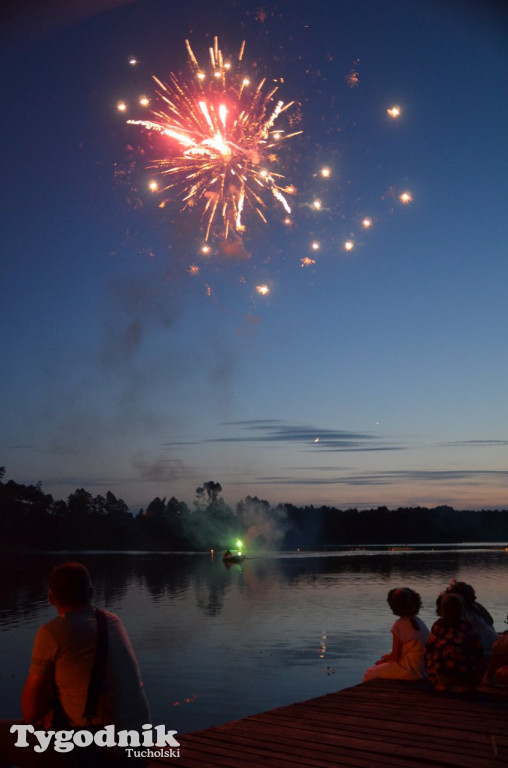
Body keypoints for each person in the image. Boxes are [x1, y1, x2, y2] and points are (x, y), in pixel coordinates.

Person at [0, 561, 151, 767]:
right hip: (138, 745)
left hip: (96, 752)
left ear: (50, 597)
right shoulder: (112, 620)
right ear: (91, 593)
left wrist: (47, 710)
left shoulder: (52, 632)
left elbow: (30, 713)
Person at [362, 587, 429, 682]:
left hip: (410, 670)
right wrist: (388, 657)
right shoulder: (419, 621)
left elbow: (395, 657)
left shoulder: (398, 625)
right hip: (423, 669)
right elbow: (408, 650)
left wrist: (384, 660)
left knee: (370, 672)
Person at [424, 592, 484, 692]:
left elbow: (428, 650)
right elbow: (478, 652)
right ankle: (462, 685)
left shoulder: (438, 625)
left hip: (442, 676)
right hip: (465, 677)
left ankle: (442, 683)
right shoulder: (467, 626)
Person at [439, 579, 497, 659]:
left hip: (488, 652)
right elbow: (490, 621)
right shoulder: (475, 608)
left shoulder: (467, 617)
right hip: (492, 644)